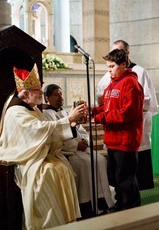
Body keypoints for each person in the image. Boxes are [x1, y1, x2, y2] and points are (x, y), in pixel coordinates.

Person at [0, 65, 86, 229]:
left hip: (35, 153)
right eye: (37, 90)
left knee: (62, 166)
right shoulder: (15, 111)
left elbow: (45, 130)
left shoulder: (32, 109)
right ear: (26, 94)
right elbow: (37, 131)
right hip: (20, 157)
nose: (42, 93)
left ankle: (64, 221)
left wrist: (71, 123)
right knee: (48, 173)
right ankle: (45, 224)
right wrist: (67, 120)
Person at [42, 84, 114, 217]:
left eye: (61, 94)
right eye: (56, 95)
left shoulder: (65, 112)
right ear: (47, 98)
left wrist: (85, 141)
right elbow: (53, 137)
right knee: (83, 165)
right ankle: (84, 205)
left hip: (80, 148)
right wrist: (75, 146)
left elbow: (80, 129)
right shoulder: (46, 114)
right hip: (65, 152)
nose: (60, 98)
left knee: (100, 159)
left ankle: (101, 200)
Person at [96, 39, 158, 190]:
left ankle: (131, 204)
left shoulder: (137, 74)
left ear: (126, 55)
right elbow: (103, 97)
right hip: (114, 132)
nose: (110, 69)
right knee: (118, 175)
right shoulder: (110, 77)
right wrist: (96, 110)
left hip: (128, 131)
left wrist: (103, 115)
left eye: (118, 53)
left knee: (128, 176)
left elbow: (141, 103)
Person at [92, 48, 144, 211]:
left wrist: (101, 117)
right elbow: (107, 107)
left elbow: (127, 113)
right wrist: (93, 111)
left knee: (126, 179)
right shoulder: (112, 84)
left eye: (112, 66)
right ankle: (121, 205)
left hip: (126, 139)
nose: (109, 70)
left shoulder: (131, 83)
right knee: (115, 177)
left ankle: (131, 209)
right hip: (113, 139)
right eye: (108, 67)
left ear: (123, 64)